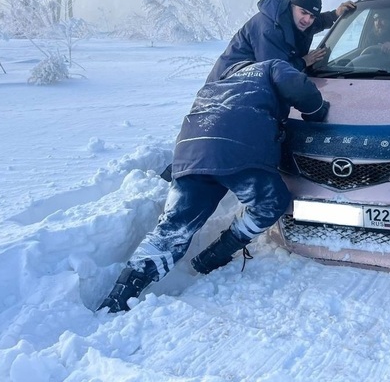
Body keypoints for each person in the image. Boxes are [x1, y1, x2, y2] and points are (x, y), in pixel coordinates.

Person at [98, 59, 330, 313]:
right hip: (239, 151)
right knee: (271, 201)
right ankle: (216, 254)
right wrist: (317, 111)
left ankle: (120, 296)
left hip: (191, 153)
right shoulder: (270, 67)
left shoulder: (218, 84)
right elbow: (296, 83)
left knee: (173, 229)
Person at [205, 0, 355, 83]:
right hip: (225, 84)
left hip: (248, 83)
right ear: (292, 6)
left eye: (312, 16)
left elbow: (317, 22)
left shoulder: (294, 20)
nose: (307, 20)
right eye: (303, 12)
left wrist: (336, 14)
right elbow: (275, 72)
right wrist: (303, 62)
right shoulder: (269, 28)